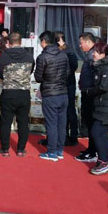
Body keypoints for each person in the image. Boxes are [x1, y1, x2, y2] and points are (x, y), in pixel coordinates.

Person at [0, 32, 35, 157]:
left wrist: (9, 78)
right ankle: (21, 149)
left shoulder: (4, 56)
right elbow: (31, 70)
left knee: (6, 122)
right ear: (21, 42)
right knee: (23, 122)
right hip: (24, 93)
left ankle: (5, 149)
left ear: (8, 42)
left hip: (9, 92)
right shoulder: (29, 55)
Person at [34, 31, 69, 161]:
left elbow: (38, 77)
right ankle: (59, 150)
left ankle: (52, 152)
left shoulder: (43, 57)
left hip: (50, 94)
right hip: (63, 92)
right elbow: (67, 73)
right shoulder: (63, 55)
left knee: (52, 124)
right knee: (61, 123)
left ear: (44, 41)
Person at [87, 42, 108, 175]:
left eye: (96, 52)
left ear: (103, 54)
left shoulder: (107, 67)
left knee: (96, 132)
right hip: (103, 106)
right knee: (101, 134)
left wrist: (90, 91)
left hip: (107, 107)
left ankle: (104, 161)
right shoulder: (101, 67)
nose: (93, 54)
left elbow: (103, 86)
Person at [76, 32, 98, 162]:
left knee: (92, 122)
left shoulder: (94, 54)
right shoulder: (89, 54)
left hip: (90, 94)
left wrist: (89, 90)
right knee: (89, 122)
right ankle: (90, 149)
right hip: (87, 92)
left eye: (81, 43)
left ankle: (93, 151)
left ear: (89, 41)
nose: (80, 45)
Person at [56, 31, 79, 146]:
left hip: (67, 84)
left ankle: (72, 135)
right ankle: (66, 135)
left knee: (69, 110)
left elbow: (72, 67)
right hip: (66, 84)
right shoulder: (67, 51)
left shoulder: (68, 52)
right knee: (67, 110)